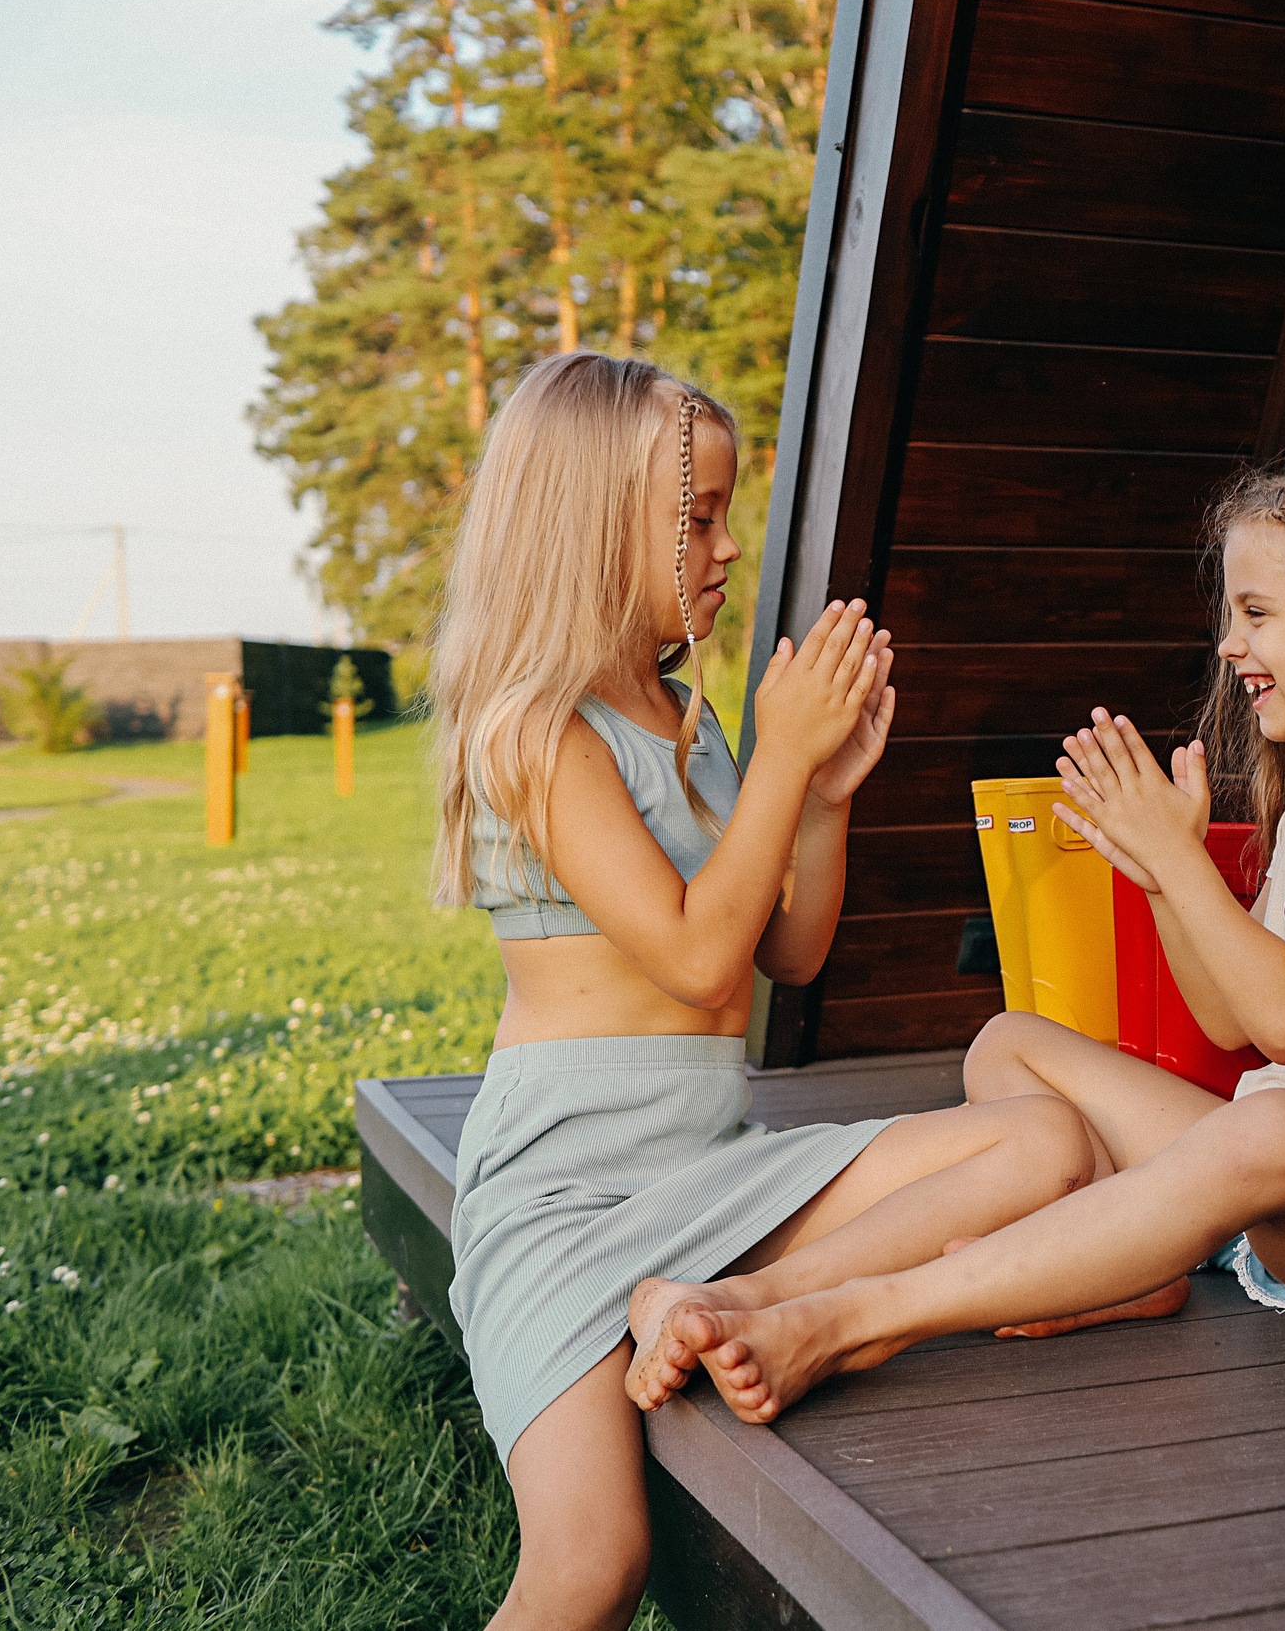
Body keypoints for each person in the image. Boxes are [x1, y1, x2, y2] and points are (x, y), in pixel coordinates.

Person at [659, 444, 1285, 1423]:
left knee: (1274, 1125)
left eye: (1257, 614)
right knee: (1011, 1043)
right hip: (1257, 1182)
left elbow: (1284, 1022)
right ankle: (1117, 1266)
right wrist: (1158, 874)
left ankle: (855, 1316)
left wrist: (1181, 864)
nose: (1230, 646)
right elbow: (1229, 1022)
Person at [430, 351, 1137, 1631]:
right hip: (568, 1192)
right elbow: (698, 955)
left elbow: (785, 954)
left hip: (711, 1167)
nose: (722, 544)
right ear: (591, 524)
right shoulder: (535, 731)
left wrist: (817, 794)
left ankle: (745, 1308)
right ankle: (722, 1306)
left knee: (1048, 1136)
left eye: (724, 516)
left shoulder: (681, 720)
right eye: (694, 517)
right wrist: (781, 761)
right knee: (593, 1565)